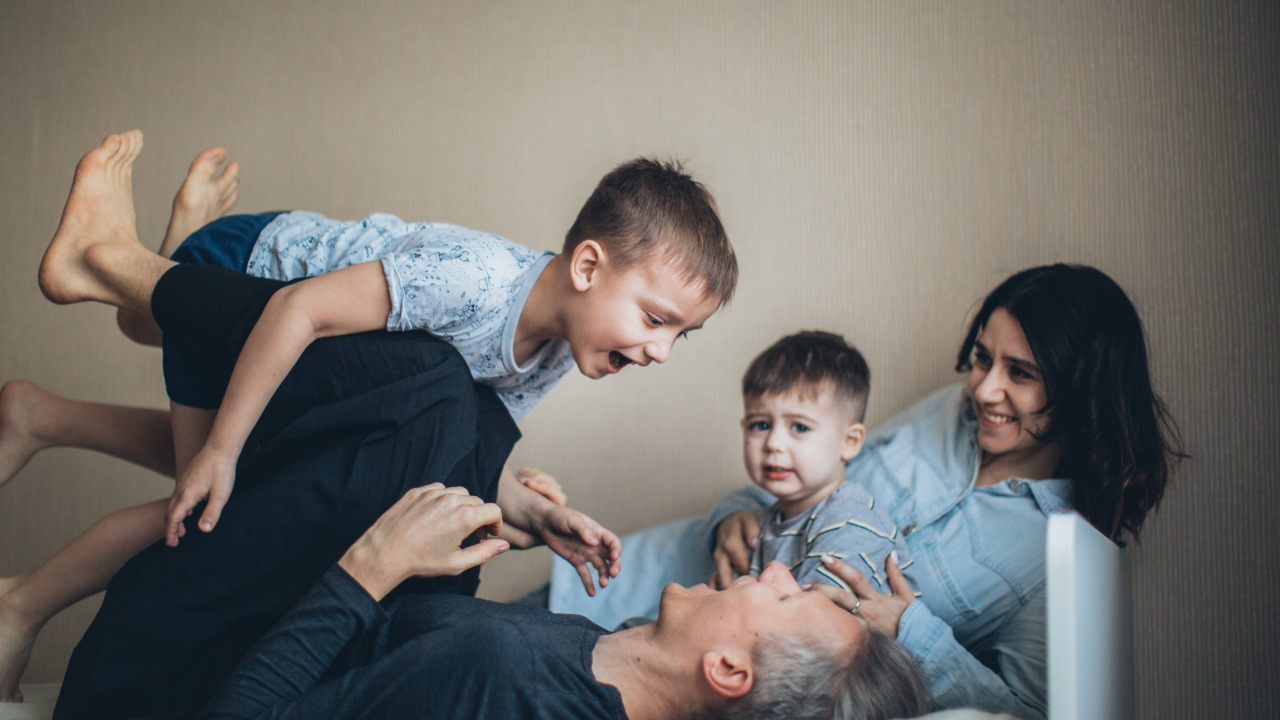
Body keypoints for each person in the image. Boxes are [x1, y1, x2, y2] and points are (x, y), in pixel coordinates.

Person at [1, 128, 736, 699]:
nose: (660, 351)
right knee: (202, 505)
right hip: (253, 272)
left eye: (679, 335)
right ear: (585, 268)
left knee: (200, 424)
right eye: (653, 319)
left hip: (300, 354)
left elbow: (465, 449)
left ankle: (45, 411)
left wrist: (537, 516)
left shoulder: (548, 351)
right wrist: (221, 449)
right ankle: (132, 259)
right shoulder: (476, 282)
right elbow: (296, 311)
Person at [707, 264, 1184, 719]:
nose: (983, 390)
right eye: (983, 358)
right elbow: (818, 458)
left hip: (761, 654)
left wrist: (912, 632)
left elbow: (1028, 714)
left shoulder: (1057, 551)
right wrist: (735, 511)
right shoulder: (946, 410)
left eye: (1020, 373)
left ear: (1080, 392)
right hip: (724, 573)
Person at [198, 482, 933, 720]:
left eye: (785, 598)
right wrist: (503, 530)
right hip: (284, 611)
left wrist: (370, 566)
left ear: (730, 672)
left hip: (220, 655)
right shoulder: (615, 656)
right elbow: (403, 663)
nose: (775, 571)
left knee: (434, 388)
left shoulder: (508, 678)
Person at [734, 331, 915, 593]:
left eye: (799, 427)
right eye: (760, 425)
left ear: (849, 442)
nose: (773, 443)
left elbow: (816, 624)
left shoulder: (849, 521)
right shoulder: (766, 523)